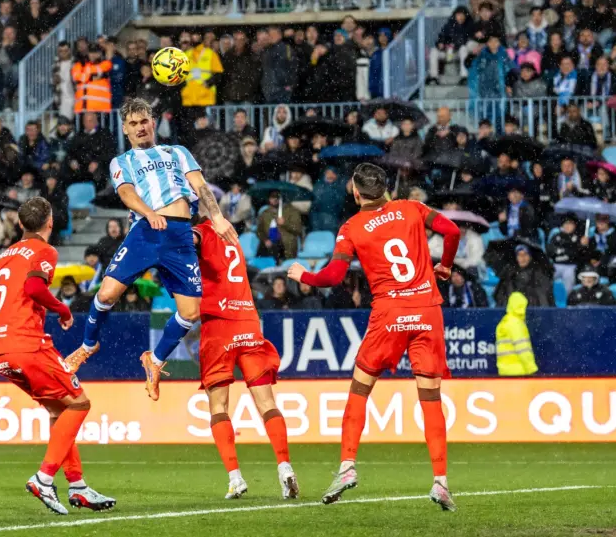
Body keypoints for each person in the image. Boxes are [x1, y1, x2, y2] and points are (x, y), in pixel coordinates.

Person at [286, 162, 460, 510]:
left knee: (360, 389)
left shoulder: (352, 227)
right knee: (430, 398)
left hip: (389, 314)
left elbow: (335, 276)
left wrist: (304, 274)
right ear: (385, 189)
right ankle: (440, 481)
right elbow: (452, 231)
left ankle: (348, 466)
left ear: (355, 192)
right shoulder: (412, 208)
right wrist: (445, 265)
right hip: (427, 311)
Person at [66, 98, 236, 401]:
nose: (140, 127)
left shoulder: (178, 152)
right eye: (133, 124)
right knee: (106, 295)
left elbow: (200, 186)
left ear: (152, 122)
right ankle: (88, 345)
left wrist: (218, 217)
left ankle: (155, 360)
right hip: (146, 231)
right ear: (125, 130)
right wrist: (149, 212)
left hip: (181, 236)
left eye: (144, 121)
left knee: (190, 313)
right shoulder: (122, 161)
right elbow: (127, 193)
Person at [0, 197, 116, 515]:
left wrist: (2, 332)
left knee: (58, 410)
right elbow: (35, 288)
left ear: (20, 224)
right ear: (50, 223)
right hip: (29, 345)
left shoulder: (0, 258)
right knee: (80, 403)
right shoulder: (44, 251)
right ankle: (44, 477)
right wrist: (62, 309)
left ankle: (77, 486)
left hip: (1, 351)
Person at [191, 216, 297, 499]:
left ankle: (235, 478)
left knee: (218, 406)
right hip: (248, 321)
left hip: (218, 325)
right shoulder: (231, 236)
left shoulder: (200, 232)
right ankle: (285, 468)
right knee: (266, 402)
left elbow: (186, 241)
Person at [495, 292, 538, 376]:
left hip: (505, 371)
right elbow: (522, 348)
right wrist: (531, 368)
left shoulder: (504, 322)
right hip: (519, 371)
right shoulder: (516, 324)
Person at [547, 213, 582, 294]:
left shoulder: (578, 237)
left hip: (571, 266)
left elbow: (575, 254)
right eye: (566, 223)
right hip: (555, 265)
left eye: (570, 223)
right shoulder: (556, 236)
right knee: (546, 277)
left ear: (575, 225)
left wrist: (582, 245)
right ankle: (548, 300)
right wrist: (566, 251)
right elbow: (550, 250)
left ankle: (568, 301)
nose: (567, 226)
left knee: (569, 277)